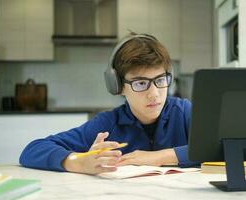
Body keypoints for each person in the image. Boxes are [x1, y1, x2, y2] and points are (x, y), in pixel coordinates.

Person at [19, 32, 197, 175]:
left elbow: (221, 145)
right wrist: (78, 162)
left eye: (160, 80)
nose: (154, 94)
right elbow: (32, 150)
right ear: (118, 86)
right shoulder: (107, 124)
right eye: (140, 83)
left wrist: (159, 157)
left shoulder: (183, 112)